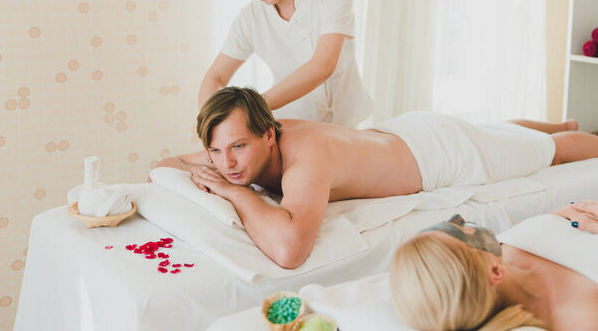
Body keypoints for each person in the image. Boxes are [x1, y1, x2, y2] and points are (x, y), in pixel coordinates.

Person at [156, 86, 596, 269]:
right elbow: (167, 163)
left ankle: (573, 137)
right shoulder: (244, 134)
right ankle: (561, 123)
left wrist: (237, 194)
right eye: (216, 150)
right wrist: (210, 167)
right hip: (408, 131)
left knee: (546, 153)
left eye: (238, 147)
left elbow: (290, 250)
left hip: (445, 154)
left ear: (269, 135)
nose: (226, 162)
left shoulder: (305, 156)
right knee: (497, 132)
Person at [199, 0, 373, 127]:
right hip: (292, 124)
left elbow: (322, 66)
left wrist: (252, 108)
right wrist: (211, 121)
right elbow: (216, 77)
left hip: (345, 124)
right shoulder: (250, 18)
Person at [389, 202, 598, 330]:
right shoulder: (584, 319)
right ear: (496, 272)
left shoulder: (506, 248)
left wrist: (572, 212)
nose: (458, 218)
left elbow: (565, 215)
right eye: (456, 231)